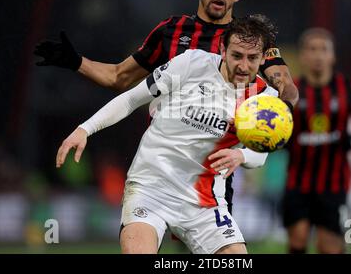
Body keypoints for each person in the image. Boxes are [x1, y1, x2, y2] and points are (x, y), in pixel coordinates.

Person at [34, 0, 299, 215]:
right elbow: (119, 77)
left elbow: (285, 86)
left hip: (214, 172)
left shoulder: (247, 43)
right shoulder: (171, 32)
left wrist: (278, 115)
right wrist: (76, 62)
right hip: (161, 163)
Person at [56, 15, 280, 254]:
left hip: (204, 202)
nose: (243, 66)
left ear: (263, 57)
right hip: (151, 189)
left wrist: (242, 157)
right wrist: (85, 129)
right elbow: (132, 98)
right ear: (223, 49)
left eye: (252, 58)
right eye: (237, 55)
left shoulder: (265, 99)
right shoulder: (191, 63)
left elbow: (261, 152)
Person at [282, 28, 351, 254]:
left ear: (333, 56)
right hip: (297, 182)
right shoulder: (290, 92)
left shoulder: (348, 89)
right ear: (302, 56)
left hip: (334, 185)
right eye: (312, 49)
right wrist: (281, 142)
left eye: (323, 49)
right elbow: (278, 128)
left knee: (329, 247)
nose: (317, 55)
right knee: (298, 239)